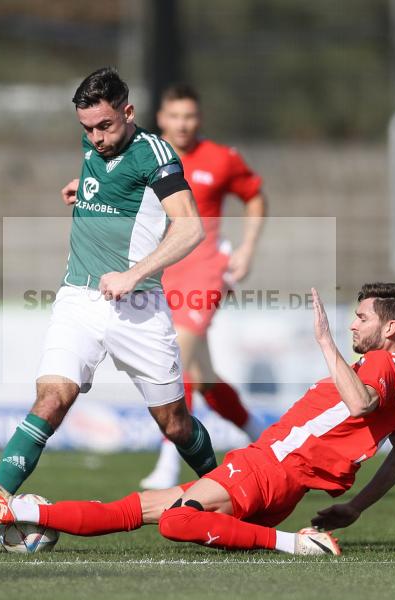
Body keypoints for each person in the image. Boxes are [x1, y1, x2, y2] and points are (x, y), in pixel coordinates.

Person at [0, 67, 219, 548]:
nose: (96, 138)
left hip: (137, 306)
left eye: (105, 126)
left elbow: (189, 228)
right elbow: (113, 185)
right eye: (87, 129)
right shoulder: (94, 145)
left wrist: (133, 274)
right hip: (78, 298)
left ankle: (232, 496)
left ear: (128, 112)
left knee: (175, 424)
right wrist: (85, 192)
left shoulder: (155, 153)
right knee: (51, 399)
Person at [0, 283, 395, 555]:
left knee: (175, 521)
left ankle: (296, 545)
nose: (352, 325)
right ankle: (14, 511)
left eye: (361, 318)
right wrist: (355, 508)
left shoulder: (381, 365)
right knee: (133, 509)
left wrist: (324, 342)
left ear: (390, 329)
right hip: (278, 480)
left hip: (269, 468)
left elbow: (360, 403)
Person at [140, 84, 269, 489]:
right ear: (161, 118)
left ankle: (169, 462)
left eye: (190, 116)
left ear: (199, 118)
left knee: (174, 358)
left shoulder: (221, 158)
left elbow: (254, 197)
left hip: (206, 270)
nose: (183, 124)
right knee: (205, 377)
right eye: (175, 116)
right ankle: (264, 438)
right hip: (161, 271)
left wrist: (247, 248)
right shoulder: (144, 155)